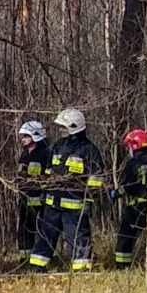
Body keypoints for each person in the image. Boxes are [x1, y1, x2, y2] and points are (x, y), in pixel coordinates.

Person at [33, 107, 105, 272]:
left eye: (63, 127)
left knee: (78, 238)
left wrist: (89, 198)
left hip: (75, 206)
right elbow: (49, 171)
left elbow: (97, 177)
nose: (60, 130)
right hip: (52, 203)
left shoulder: (89, 150)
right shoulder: (57, 146)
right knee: (45, 236)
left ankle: (81, 269)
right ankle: (37, 266)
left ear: (74, 127)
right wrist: (44, 191)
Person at [13, 119, 52, 260]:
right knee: (24, 229)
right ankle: (24, 257)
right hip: (24, 198)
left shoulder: (45, 154)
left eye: (26, 136)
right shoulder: (25, 154)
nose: (23, 139)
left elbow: (48, 177)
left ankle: (42, 257)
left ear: (35, 135)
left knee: (41, 230)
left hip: (39, 200)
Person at [115, 128, 147, 268]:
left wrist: (116, 193)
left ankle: (122, 267)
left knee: (126, 236)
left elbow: (128, 186)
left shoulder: (133, 164)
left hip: (136, 207)